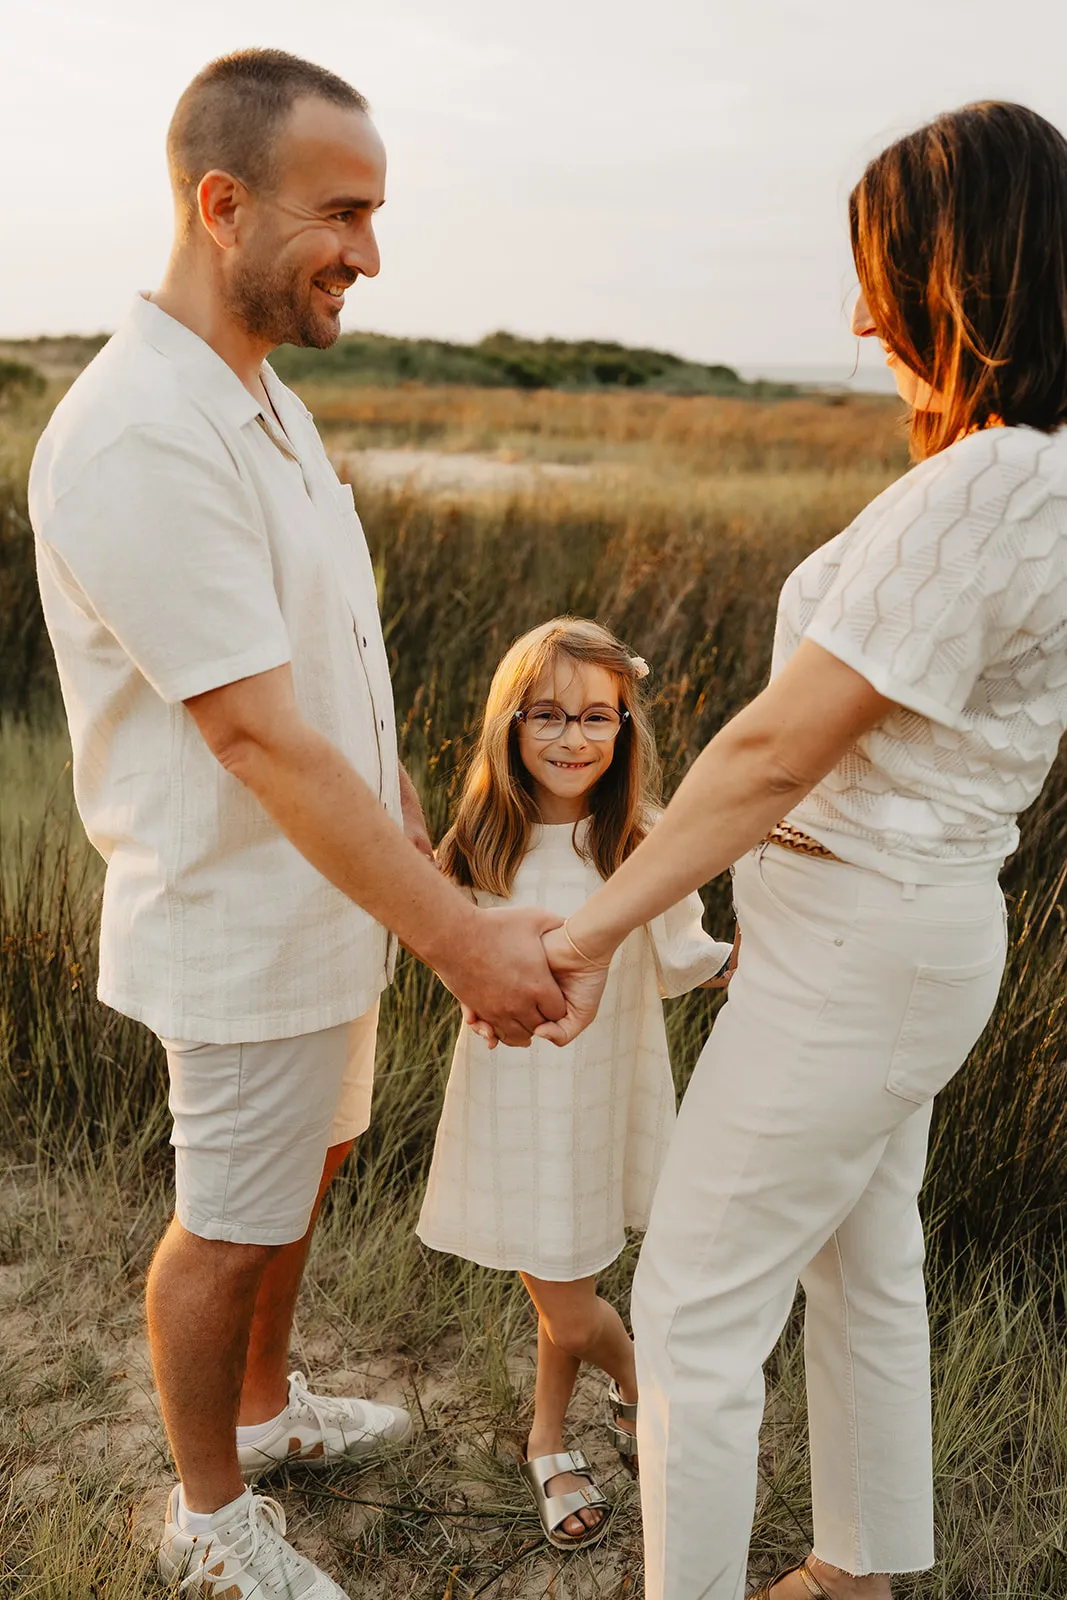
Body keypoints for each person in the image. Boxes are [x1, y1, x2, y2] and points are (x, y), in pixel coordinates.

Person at [28, 49, 566, 1600]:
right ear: (220, 203)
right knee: (224, 1219)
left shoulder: (253, 399)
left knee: (306, 1175)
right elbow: (252, 734)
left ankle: (265, 1415)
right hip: (237, 908)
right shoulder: (141, 429)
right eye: (343, 213)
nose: (370, 255)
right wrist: (459, 934)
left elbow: (325, 674)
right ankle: (204, 1517)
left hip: (333, 895)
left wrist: (407, 827)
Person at [519, 102, 1067, 1600]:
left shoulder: (991, 481)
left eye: (878, 269)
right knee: (861, 1255)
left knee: (695, 1304)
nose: (855, 311)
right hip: (908, 934)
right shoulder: (1039, 474)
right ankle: (858, 1572)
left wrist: (580, 932)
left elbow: (770, 751)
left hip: (856, 950)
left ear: (956, 272)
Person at [417, 618, 735, 1548]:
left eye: (599, 717)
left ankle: (547, 1439)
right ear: (509, 725)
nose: (572, 738)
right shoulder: (479, 838)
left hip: (599, 1097)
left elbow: (683, 953)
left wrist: (757, 965)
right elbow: (445, 950)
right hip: (510, 1093)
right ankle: (638, 1381)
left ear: (626, 728)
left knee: (567, 1275)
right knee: (561, 1294)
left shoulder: (639, 837)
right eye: (548, 714)